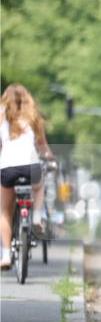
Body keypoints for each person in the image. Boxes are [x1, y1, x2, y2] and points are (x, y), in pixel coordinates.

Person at [1, 84, 53, 270]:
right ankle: (38, 216)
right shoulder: (32, 117)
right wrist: (51, 159)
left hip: (7, 169)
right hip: (31, 166)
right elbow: (43, 147)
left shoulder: (1, 116)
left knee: (5, 212)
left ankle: (6, 255)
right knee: (38, 187)